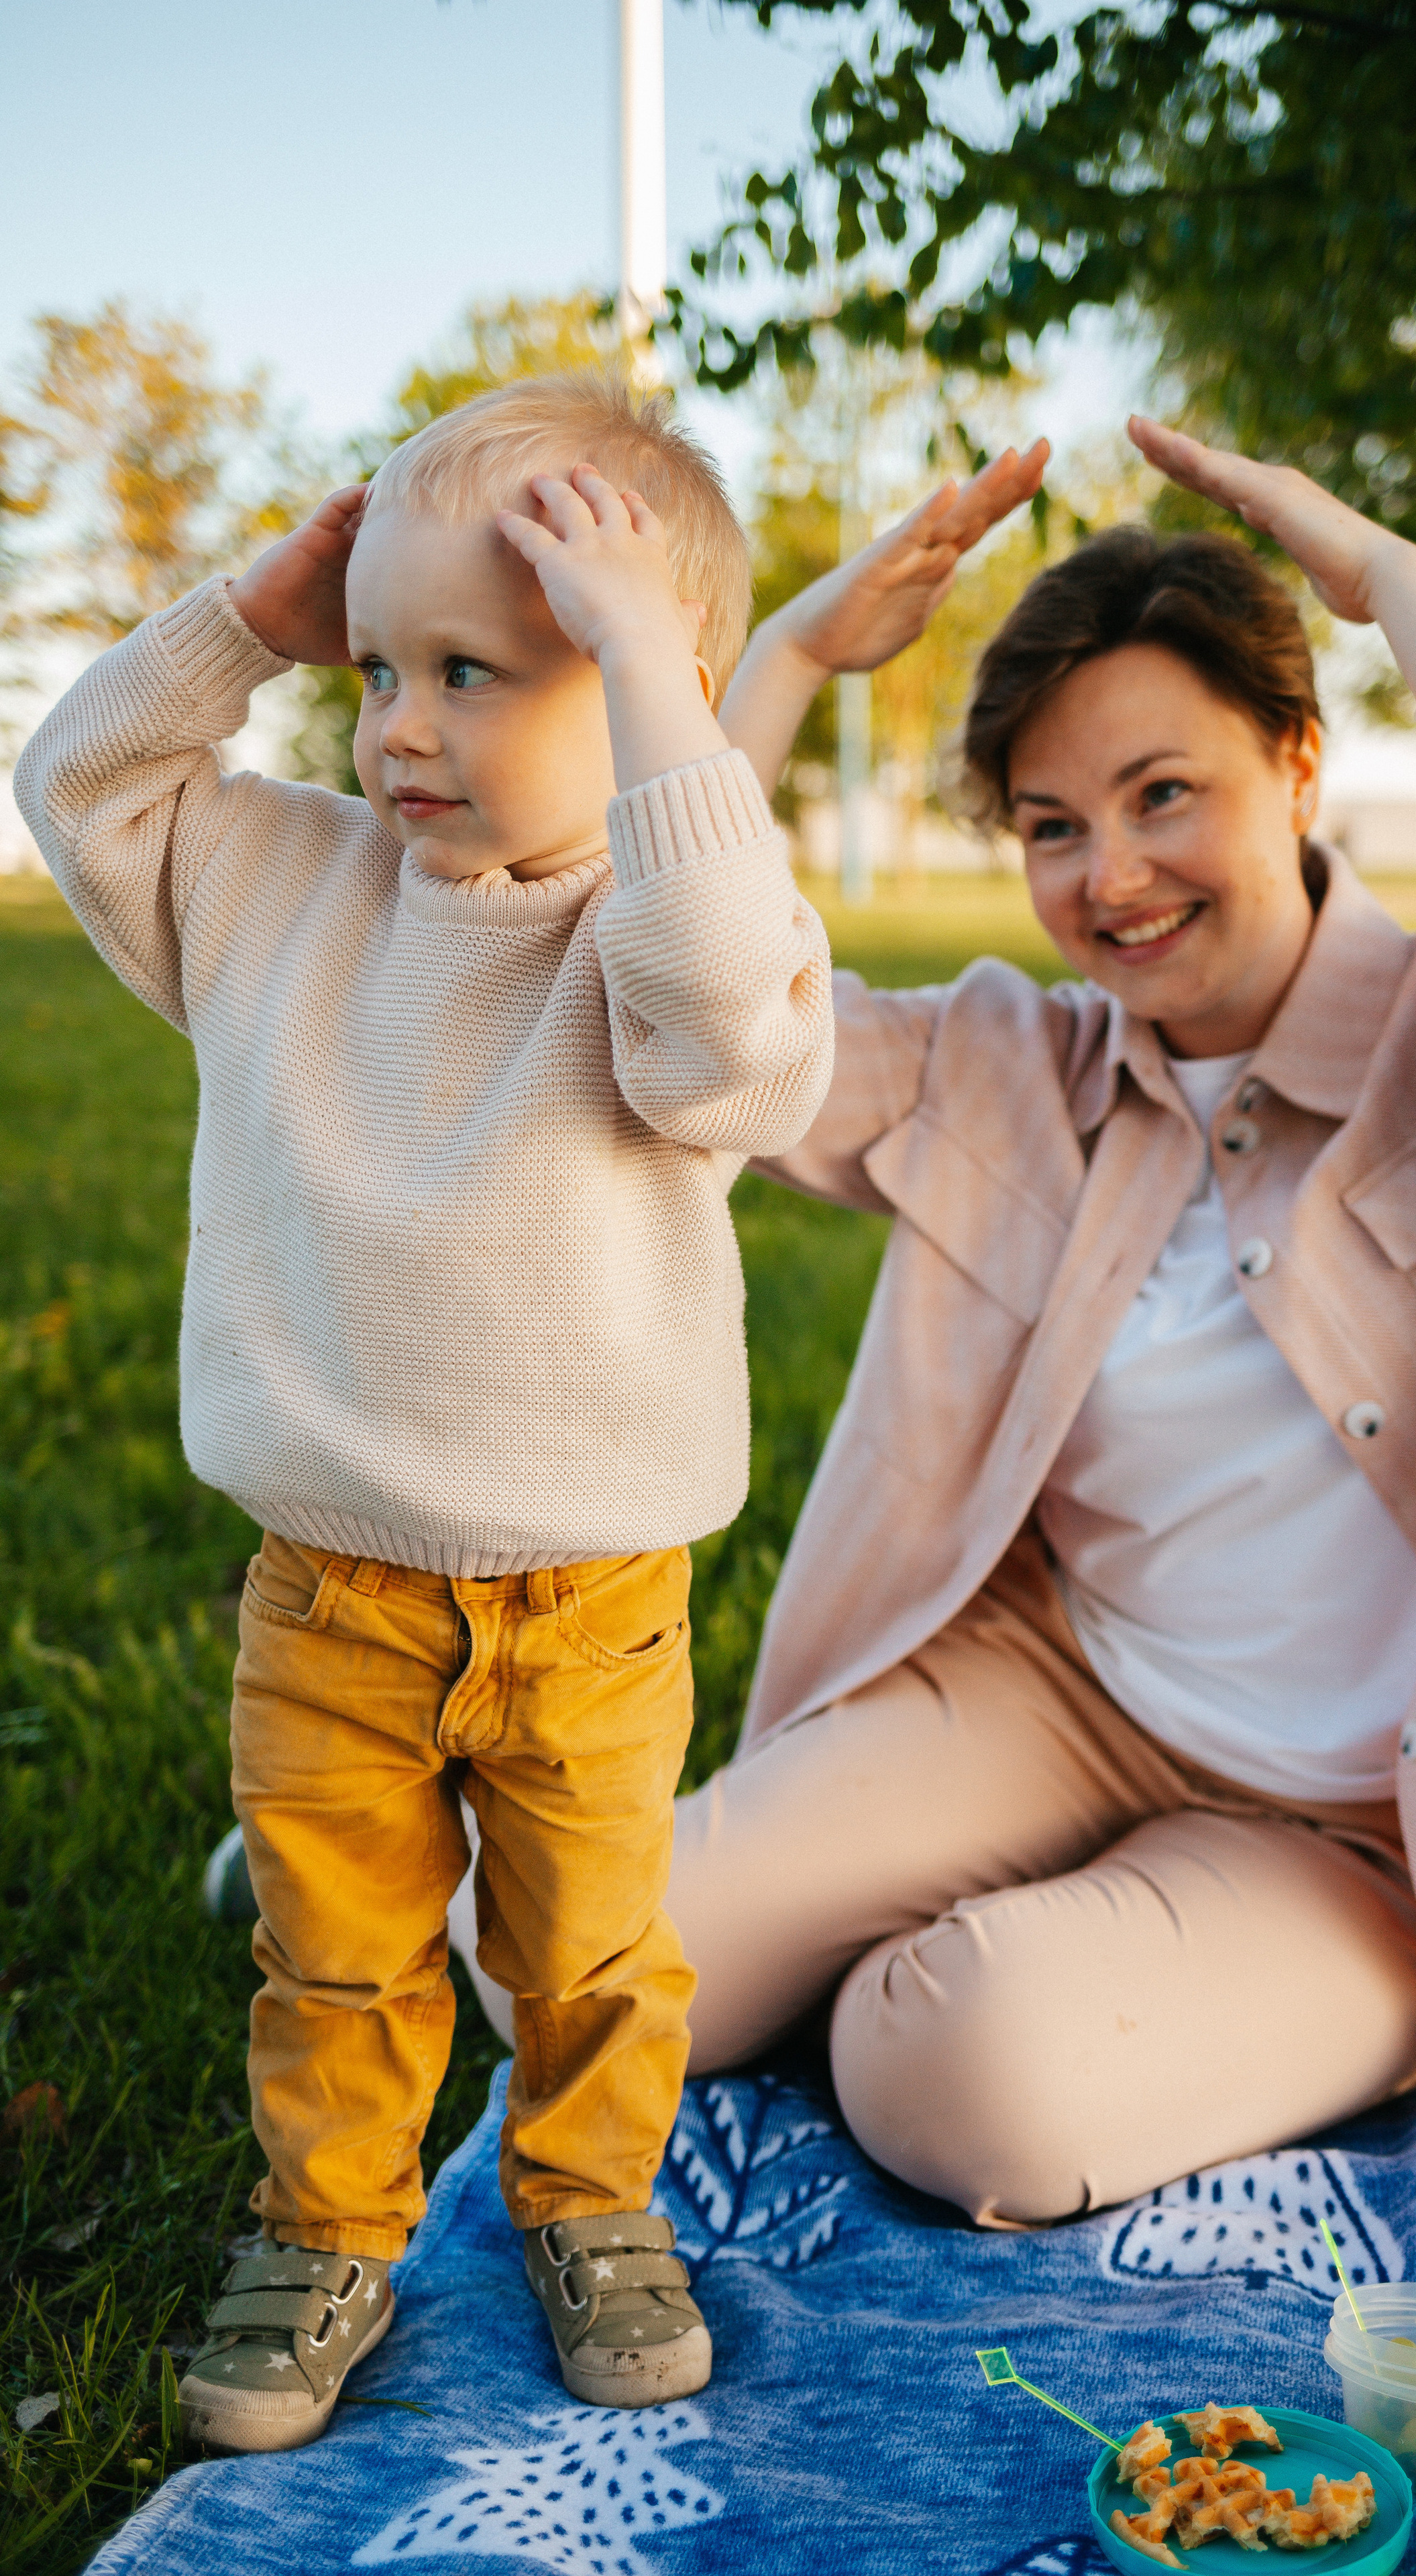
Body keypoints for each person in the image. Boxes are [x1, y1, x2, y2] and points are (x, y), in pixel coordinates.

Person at [646, 417, 1416, 2231]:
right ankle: (404, 1886)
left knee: (951, 2072)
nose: (1107, 877)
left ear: (1299, 763)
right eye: (1053, 828)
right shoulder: (1016, 1060)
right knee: (577, 1970)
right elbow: (691, 1036)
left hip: (1365, 1829)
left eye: (1162, 794)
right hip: (1060, 1697)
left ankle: (1206, 1981)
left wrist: (1398, 593)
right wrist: (786, 664)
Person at [17, 376, 882, 2453]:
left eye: (473, 671)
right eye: (379, 665)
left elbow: (730, 1041)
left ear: (648, 697)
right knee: (339, 1955)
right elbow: (80, 784)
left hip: (591, 1604)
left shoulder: (666, 944)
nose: (395, 720)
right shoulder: (285, 894)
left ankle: (588, 2205)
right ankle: (328, 2225)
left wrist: (675, 712)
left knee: (588, 1959)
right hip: (330, 1592)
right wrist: (250, 612)